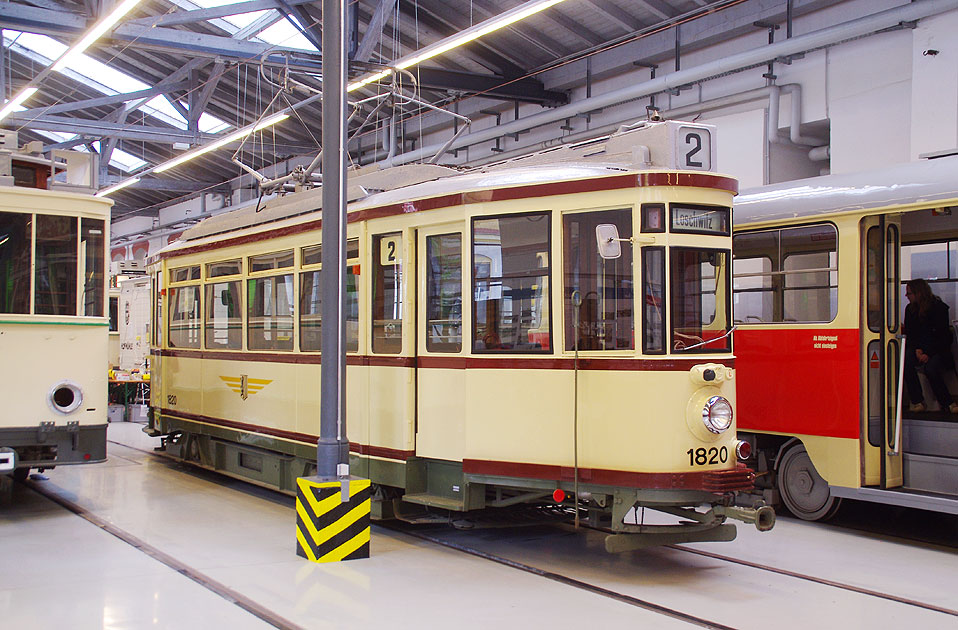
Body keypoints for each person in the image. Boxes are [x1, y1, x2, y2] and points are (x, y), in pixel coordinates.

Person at [902, 279, 958, 413]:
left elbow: (943, 337)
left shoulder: (938, 308)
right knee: (906, 361)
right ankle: (917, 400)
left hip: (937, 350)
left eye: (909, 293)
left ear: (918, 293)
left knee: (931, 368)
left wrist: (927, 352)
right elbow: (911, 334)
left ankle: (947, 402)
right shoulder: (910, 310)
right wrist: (918, 350)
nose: (907, 296)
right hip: (920, 349)